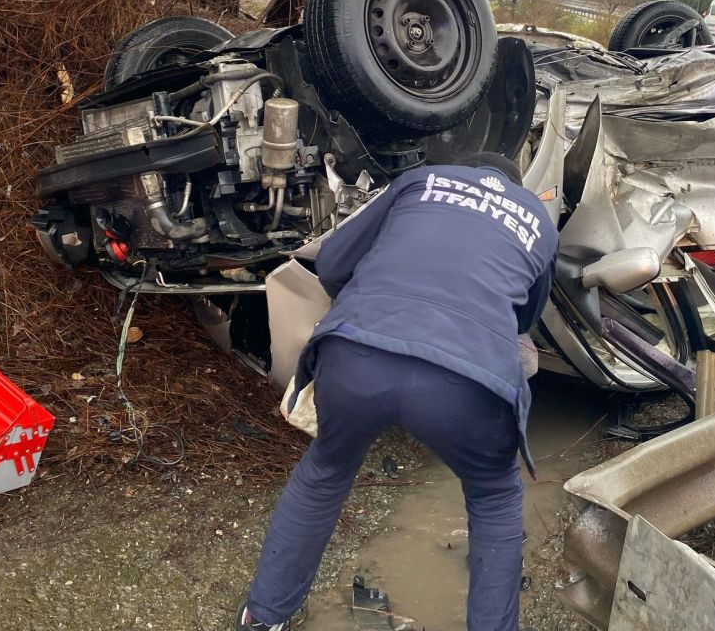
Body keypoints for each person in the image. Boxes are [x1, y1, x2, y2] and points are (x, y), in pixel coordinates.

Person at [235, 151, 558, 630]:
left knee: (326, 469)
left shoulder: (422, 180)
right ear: (514, 186)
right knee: (494, 498)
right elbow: (525, 318)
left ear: (466, 170)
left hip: (358, 354)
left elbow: (332, 263)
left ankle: (262, 618)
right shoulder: (537, 218)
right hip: (466, 381)